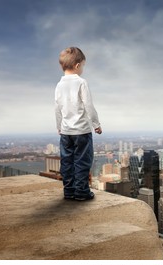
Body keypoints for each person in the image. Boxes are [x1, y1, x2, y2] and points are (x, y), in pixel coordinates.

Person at [55, 47, 102, 201]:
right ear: (77, 65)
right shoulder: (81, 82)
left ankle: (68, 191)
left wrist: (59, 126)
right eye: (82, 65)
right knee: (82, 162)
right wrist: (96, 124)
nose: (82, 68)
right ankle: (81, 192)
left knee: (67, 162)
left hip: (66, 132)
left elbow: (58, 108)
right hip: (81, 131)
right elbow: (89, 105)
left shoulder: (59, 85)